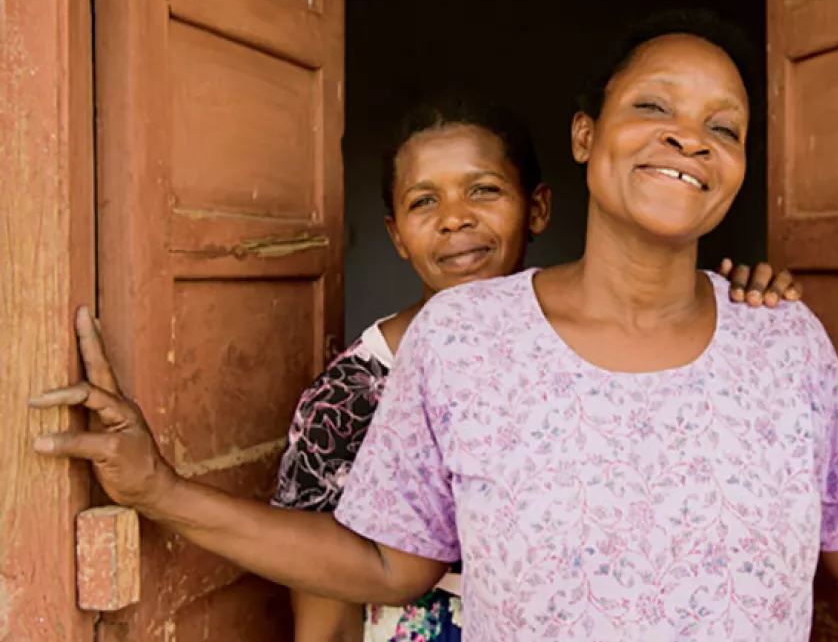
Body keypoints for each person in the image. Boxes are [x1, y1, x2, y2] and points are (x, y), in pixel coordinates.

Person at [29, 12, 838, 641]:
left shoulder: (784, 343)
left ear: (737, 168)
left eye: (722, 126)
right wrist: (157, 488)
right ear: (589, 138)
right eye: (655, 108)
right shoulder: (465, 343)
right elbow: (387, 563)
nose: (688, 138)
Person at [264, 94, 800, 641]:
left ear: (537, 209)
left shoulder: (601, 353)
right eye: (424, 201)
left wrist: (743, 309)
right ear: (397, 234)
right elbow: (323, 621)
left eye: (484, 190)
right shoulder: (351, 398)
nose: (455, 218)